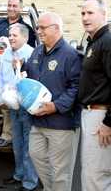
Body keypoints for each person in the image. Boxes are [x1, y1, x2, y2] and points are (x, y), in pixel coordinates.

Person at [23, 12, 81, 191]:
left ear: (56, 28)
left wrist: (55, 106)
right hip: (37, 121)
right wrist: (19, 69)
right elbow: (30, 78)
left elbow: (76, 87)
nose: (38, 31)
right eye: (37, 27)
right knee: (37, 158)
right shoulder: (37, 51)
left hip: (61, 124)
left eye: (42, 28)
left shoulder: (71, 55)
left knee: (60, 171)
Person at [0, 0, 36, 147]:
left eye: (15, 6)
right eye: (9, 5)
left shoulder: (25, 28)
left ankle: (7, 135)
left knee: (9, 101)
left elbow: (29, 50)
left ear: (20, 8)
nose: (11, 8)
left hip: (15, 70)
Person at [0, 23, 38, 191]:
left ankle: (29, 182)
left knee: (29, 145)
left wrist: (19, 69)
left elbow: (33, 82)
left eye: (15, 35)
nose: (11, 38)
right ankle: (19, 175)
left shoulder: (33, 54)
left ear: (25, 37)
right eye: (10, 35)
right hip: (11, 104)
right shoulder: (6, 53)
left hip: (26, 106)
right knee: (17, 143)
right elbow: (0, 77)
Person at [79, 0, 111, 191]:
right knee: (94, 173)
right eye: (82, 13)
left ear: (104, 14)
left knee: (96, 177)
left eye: (90, 12)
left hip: (101, 117)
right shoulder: (94, 42)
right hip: (92, 115)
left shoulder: (107, 42)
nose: (85, 17)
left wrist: (109, 122)